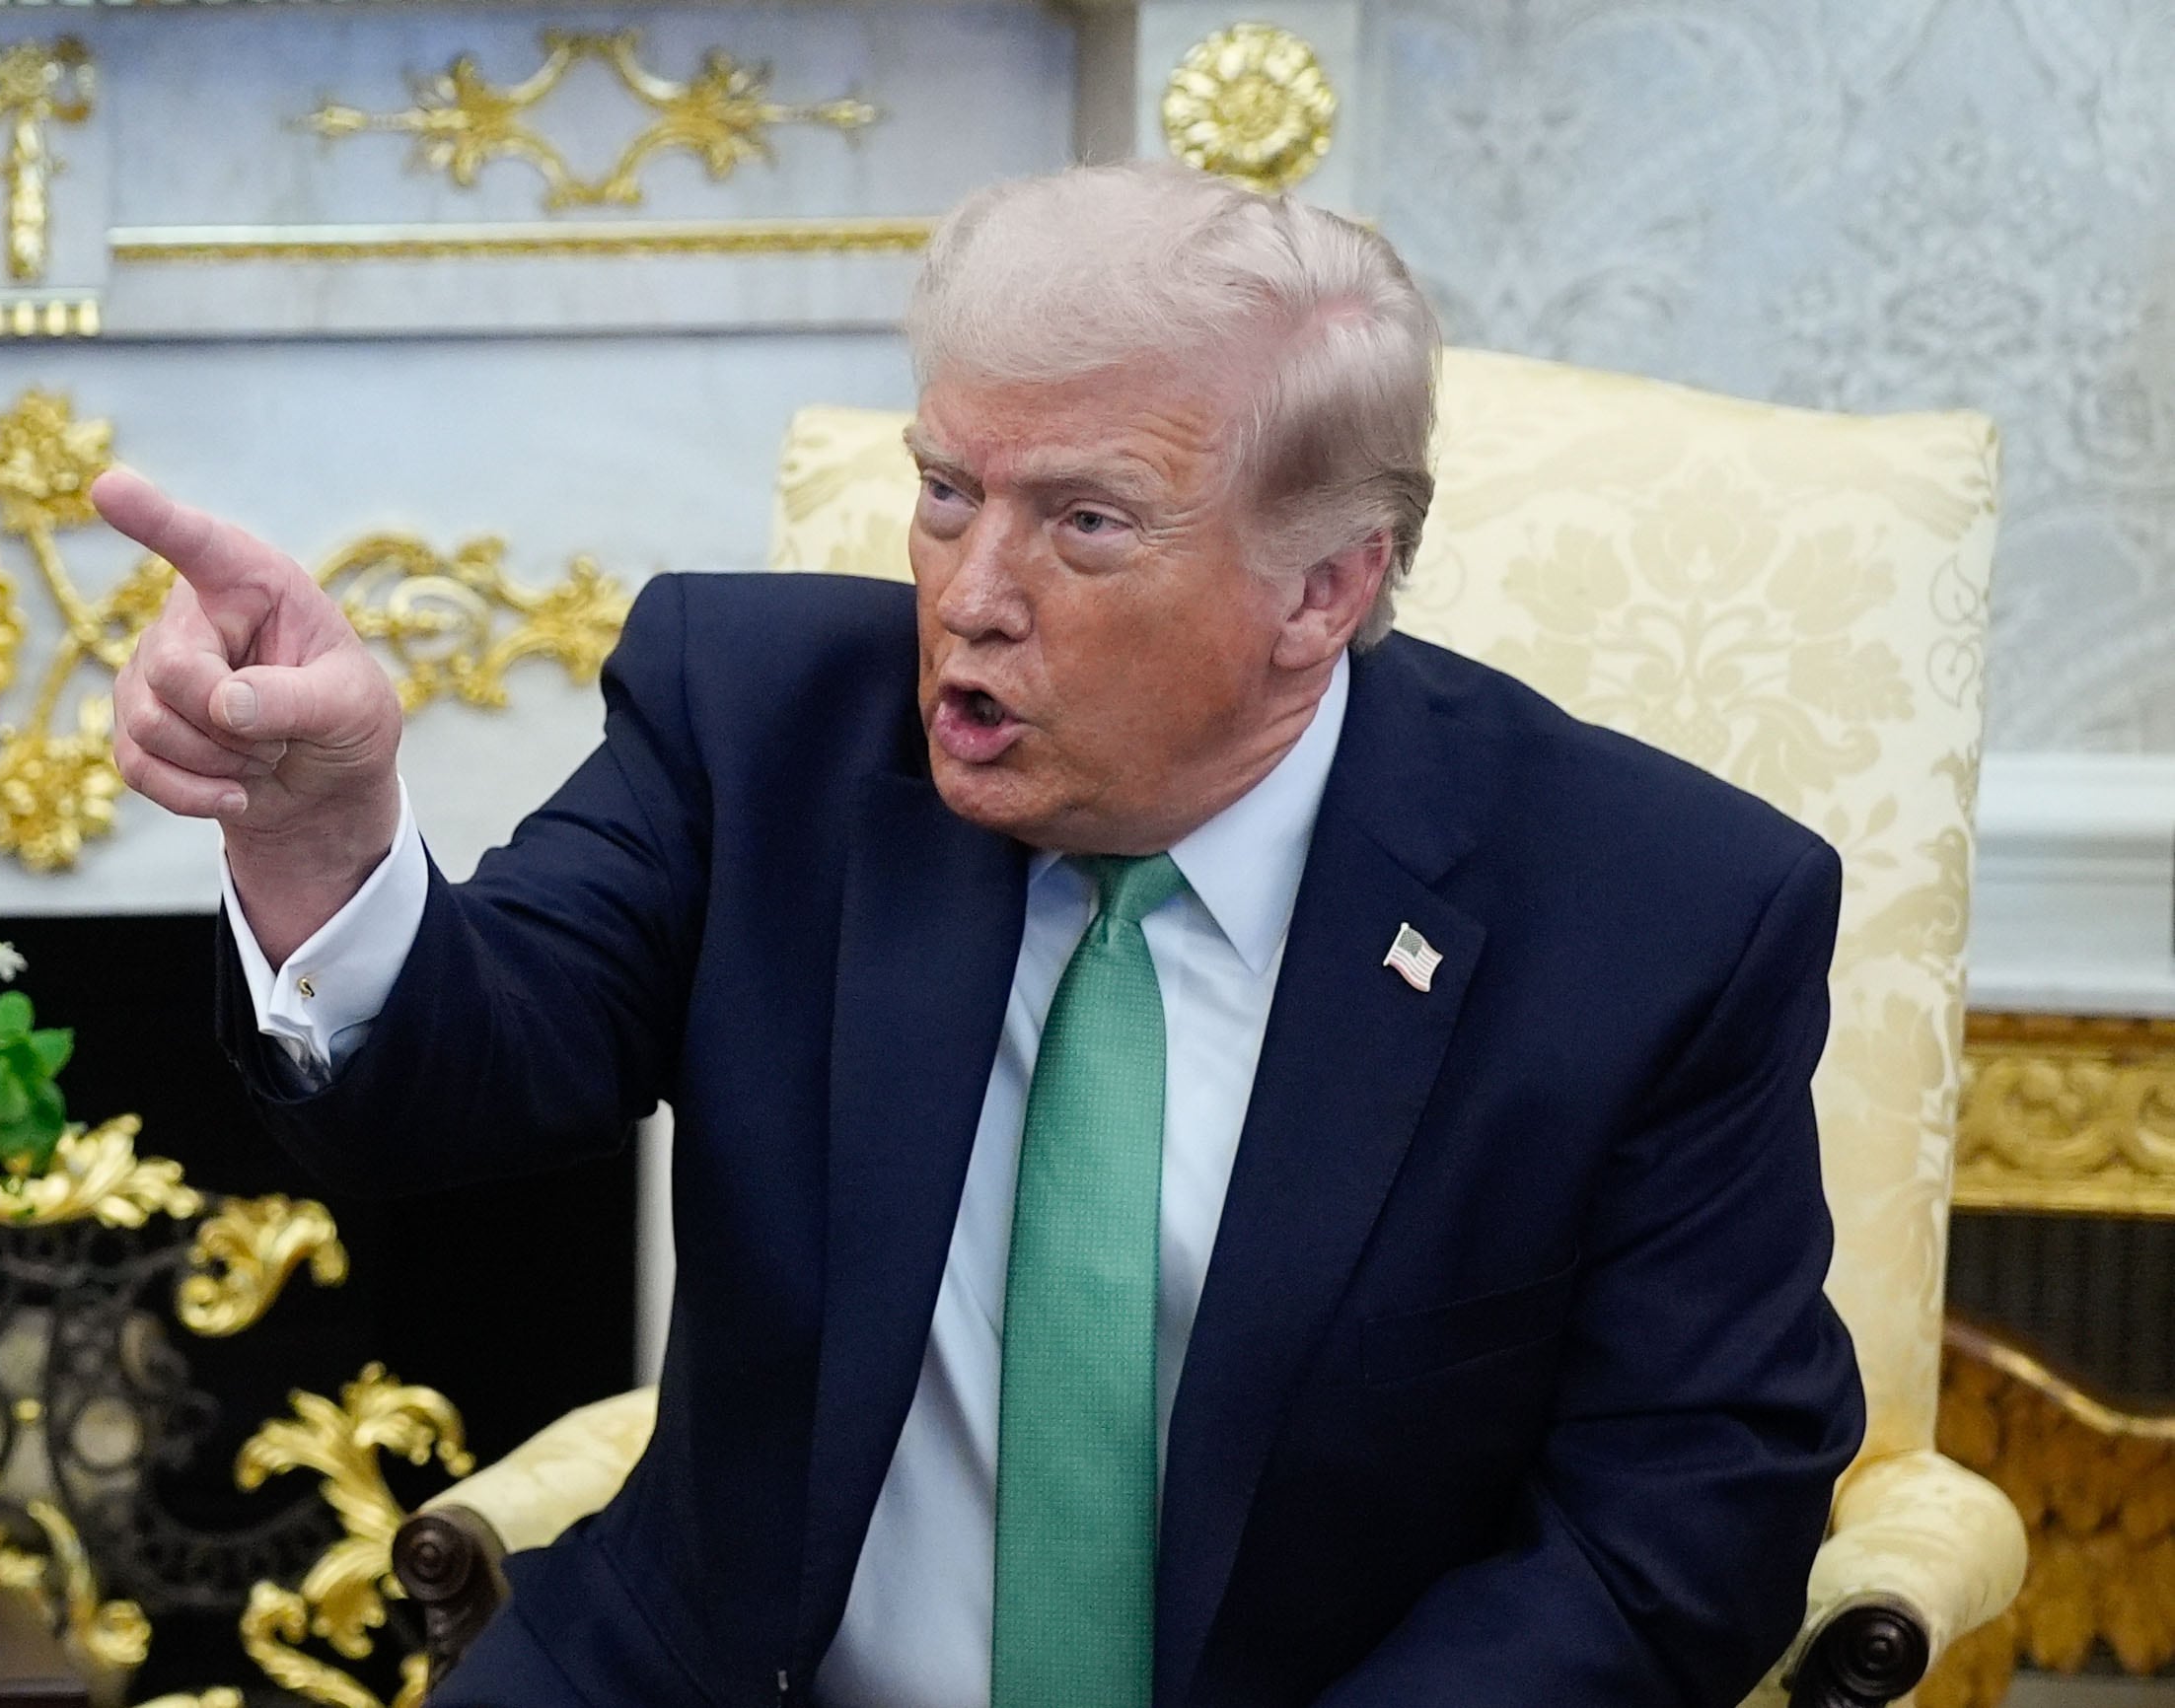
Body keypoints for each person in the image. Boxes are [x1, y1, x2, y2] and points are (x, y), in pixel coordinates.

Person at [97, 163, 1864, 1708]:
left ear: (1321, 588)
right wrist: (322, 833)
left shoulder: (1652, 916)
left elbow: (1683, 1518)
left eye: (1084, 522)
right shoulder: (761, 724)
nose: (970, 594)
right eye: (947, 490)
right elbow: (460, 1081)